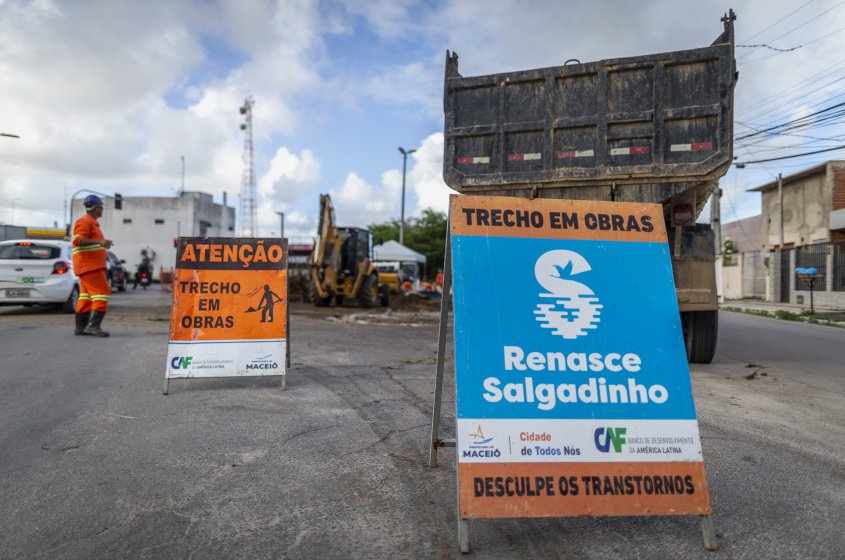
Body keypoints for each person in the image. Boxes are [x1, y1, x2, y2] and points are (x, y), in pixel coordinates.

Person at [72, 195, 114, 337]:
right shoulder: (85, 221)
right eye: (100, 207)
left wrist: (101, 243)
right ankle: (93, 326)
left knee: (86, 297)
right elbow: (79, 241)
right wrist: (100, 242)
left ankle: (80, 328)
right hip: (89, 266)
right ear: (95, 208)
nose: (102, 209)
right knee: (102, 292)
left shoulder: (92, 223)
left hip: (88, 266)